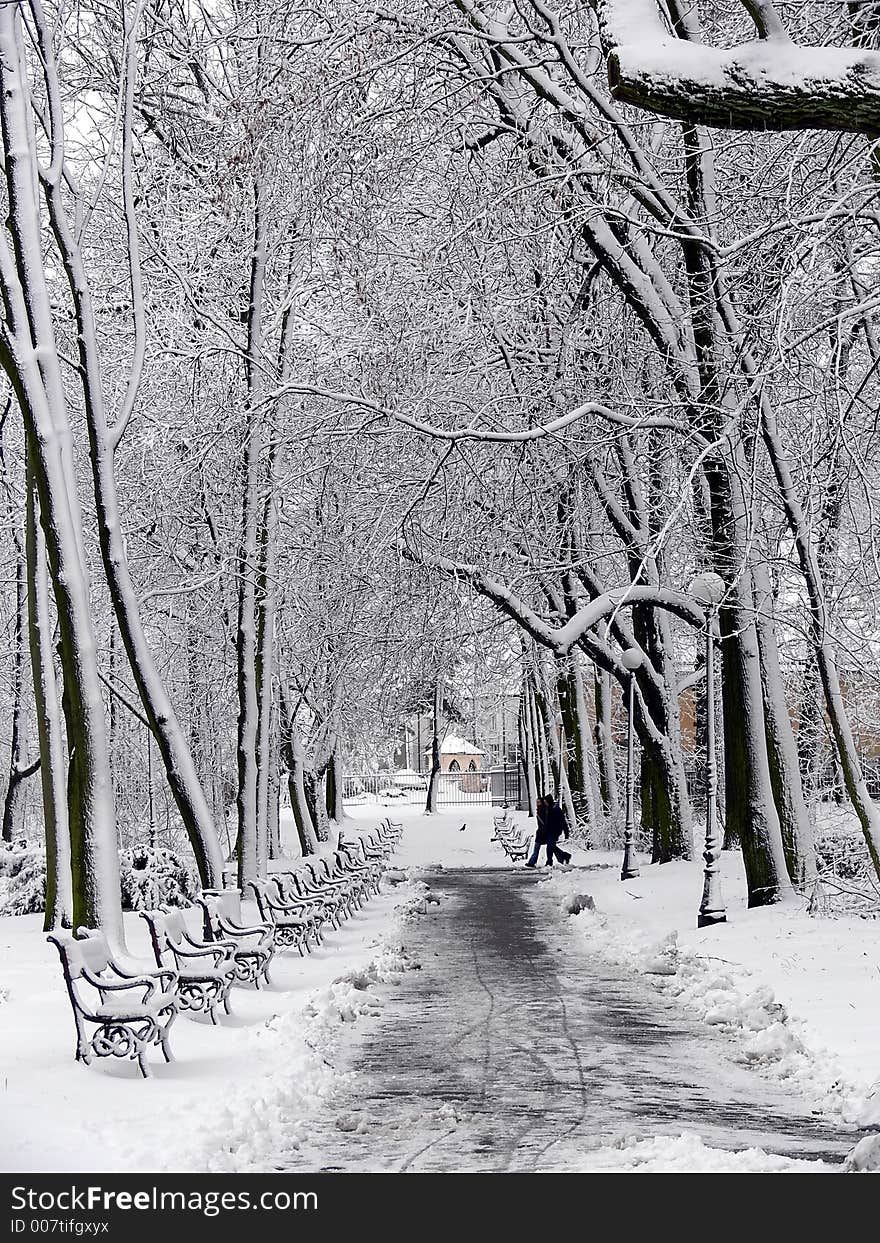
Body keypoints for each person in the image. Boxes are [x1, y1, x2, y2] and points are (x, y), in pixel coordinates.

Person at [543, 793, 571, 866]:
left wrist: (566, 832)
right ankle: (564, 856)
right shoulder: (548, 809)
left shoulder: (556, 809)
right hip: (549, 831)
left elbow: (563, 821)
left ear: (549, 801)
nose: (544, 803)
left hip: (555, 831)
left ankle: (549, 861)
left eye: (545, 801)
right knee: (552, 846)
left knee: (549, 846)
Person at [524, 796, 548, 868]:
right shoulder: (541, 810)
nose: (537, 803)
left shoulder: (543, 810)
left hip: (542, 832)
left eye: (539, 802)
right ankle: (532, 861)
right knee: (539, 848)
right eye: (537, 802)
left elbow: (545, 822)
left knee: (538, 848)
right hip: (541, 832)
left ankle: (532, 862)